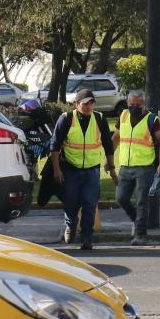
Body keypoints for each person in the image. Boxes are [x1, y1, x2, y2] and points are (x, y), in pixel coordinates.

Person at [50, 88, 116, 250]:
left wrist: (112, 169)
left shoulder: (99, 118)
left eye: (91, 103)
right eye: (85, 104)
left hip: (92, 171)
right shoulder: (66, 119)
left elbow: (108, 145)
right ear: (76, 104)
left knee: (89, 205)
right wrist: (57, 170)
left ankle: (87, 237)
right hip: (70, 169)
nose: (88, 106)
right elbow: (55, 146)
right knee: (70, 203)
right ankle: (71, 225)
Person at [112, 91, 160, 246]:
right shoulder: (123, 116)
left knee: (142, 201)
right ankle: (137, 220)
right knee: (121, 198)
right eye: (131, 104)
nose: (133, 107)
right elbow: (116, 138)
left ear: (143, 104)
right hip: (125, 166)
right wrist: (109, 159)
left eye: (137, 105)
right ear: (127, 102)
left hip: (145, 167)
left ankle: (140, 234)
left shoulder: (152, 119)